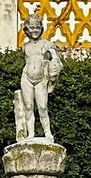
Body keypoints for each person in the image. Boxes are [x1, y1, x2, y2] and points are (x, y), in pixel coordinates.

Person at [15, 13, 62, 142]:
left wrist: (52, 54)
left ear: (41, 28)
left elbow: (57, 63)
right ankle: (31, 134)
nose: (34, 30)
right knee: (29, 106)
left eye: (37, 27)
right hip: (27, 78)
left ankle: (48, 133)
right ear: (26, 30)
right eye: (31, 28)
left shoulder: (47, 44)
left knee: (42, 107)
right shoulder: (25, 46)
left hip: (41, 79)